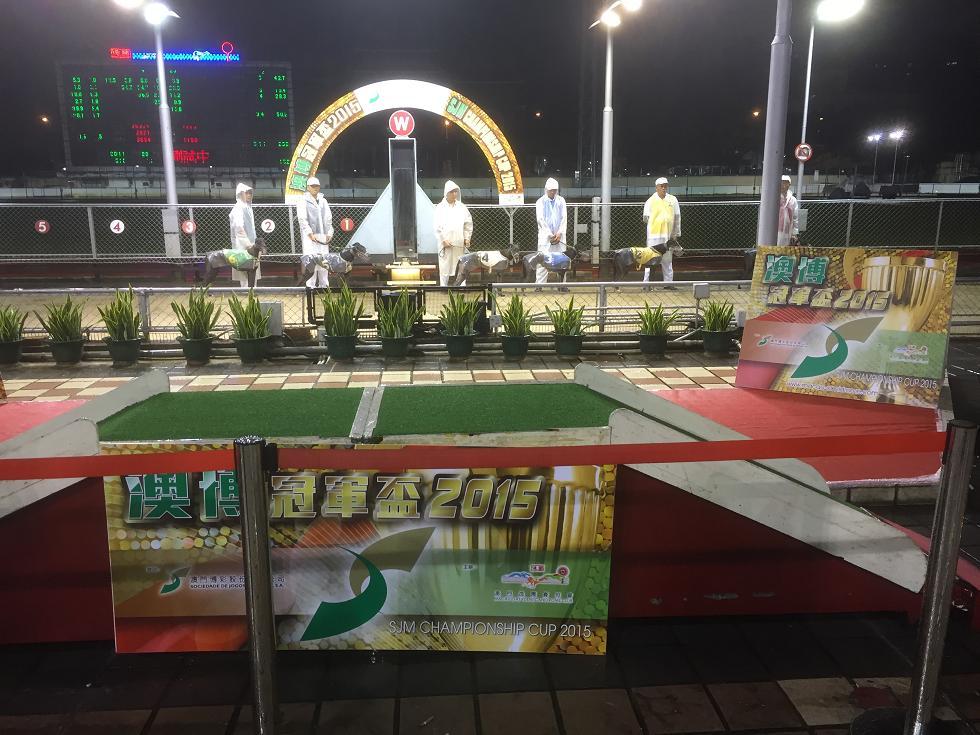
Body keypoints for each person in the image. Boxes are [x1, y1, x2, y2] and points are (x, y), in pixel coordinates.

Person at [642, 177, 682, 283]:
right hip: (654, 236)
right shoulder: (650, 201)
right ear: (657, 187)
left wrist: (675, 233)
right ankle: (647, 283)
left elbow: (677, 217)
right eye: (661, 186)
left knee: (668, 260)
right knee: (650, 259)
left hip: (668, 236)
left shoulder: (673, 200)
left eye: (665, 186)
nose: (664, 188)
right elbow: (646, 218)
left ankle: (668, 283)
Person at [296, 176, 334, 287]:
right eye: (313, 186)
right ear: (308, 187)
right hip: (310, 237)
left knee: (324, 261)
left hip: (323, 235)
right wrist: (309, 233)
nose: (315, 188)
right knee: (311, 261)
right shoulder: (302, 201)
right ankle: (310, 287)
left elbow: (328, 218)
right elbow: (302, 219)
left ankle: (324, 287)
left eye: (317, 186)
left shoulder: (323, 201)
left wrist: (329, 233)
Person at [434, 180, 473, 286]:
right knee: (444, 265)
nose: (454, 194)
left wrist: (467, 238)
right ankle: (443, 287)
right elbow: (437, 226)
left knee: (461, 265)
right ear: (446, 193)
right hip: (445, 243)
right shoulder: (440, 208)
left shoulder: (462, 207)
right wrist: (443, 240)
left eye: (456, 191)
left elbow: (468, 224)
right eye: (452, 192)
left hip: (459, 242)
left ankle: (462, 287)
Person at [535, 177, 567, 284]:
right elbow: (540, 219)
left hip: (559, 236)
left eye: (555, 190)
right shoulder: (540, 202)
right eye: (551, 190)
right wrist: (550, 234)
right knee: (542, 260)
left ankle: (562, 285)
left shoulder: (561, 200)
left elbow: (564, 218)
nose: (553, 192)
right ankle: (539, 285)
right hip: (545, 237)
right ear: (546, 190)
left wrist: (559, 233)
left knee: (561, 260)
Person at [228, 182, 259, 287]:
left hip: (250, 243)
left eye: (250, 193)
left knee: (252, 267)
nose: (249, 195)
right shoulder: (238, 208)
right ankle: (246, 290)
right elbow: (238, 227)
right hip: (243, 244)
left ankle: (252, 289)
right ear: (240, 194)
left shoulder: (248, 208)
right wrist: (247, 243)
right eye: (246, 193)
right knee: (244, 269)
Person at [777, 174, 800, 246]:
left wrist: (795, 233)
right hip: (774, 229)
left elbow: (795, 217)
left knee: (785, 248)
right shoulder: (774, 197)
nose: (783, 185)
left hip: (788, 229)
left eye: (786, 183)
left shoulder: (793, 200)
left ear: (789, 184)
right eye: (782, 183)